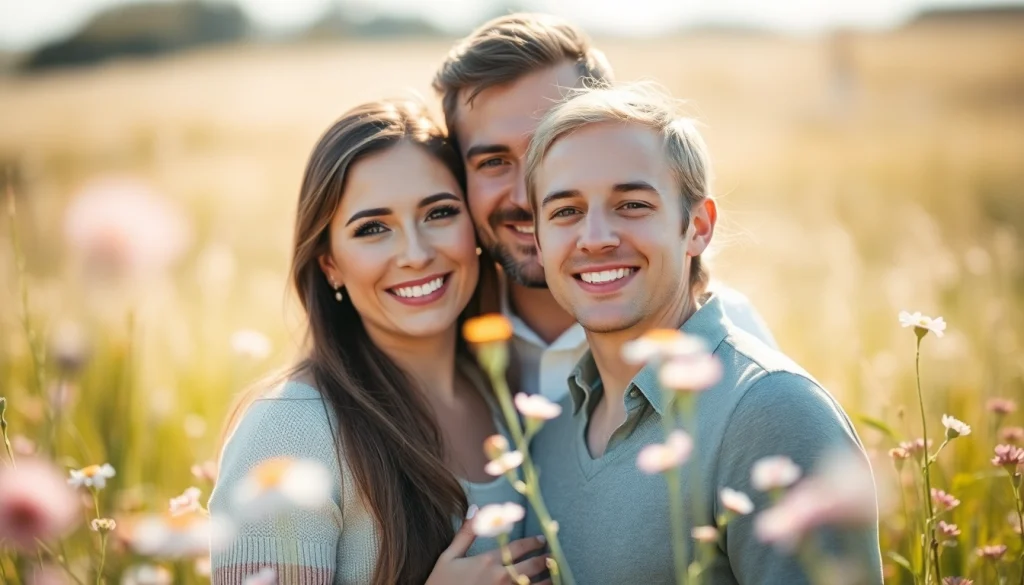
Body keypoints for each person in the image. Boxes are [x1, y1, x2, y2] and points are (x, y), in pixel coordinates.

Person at [520, 83, 883, 584]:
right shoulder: (553, 424)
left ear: (698, 226)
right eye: (566, 211)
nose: (597, 238)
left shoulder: (772, 412)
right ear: (538, 242)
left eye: (632, 205)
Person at [209, 99, 550, 585]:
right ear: (330, 264)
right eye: (373, 228)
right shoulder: (289, 432)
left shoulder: (509, 387)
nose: (415, 254)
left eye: (439, 213)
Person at [433, 13, 778, 403]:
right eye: (493, 162)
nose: (525, 197)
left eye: (549, 153)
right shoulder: (437, 335)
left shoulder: (728, 343)